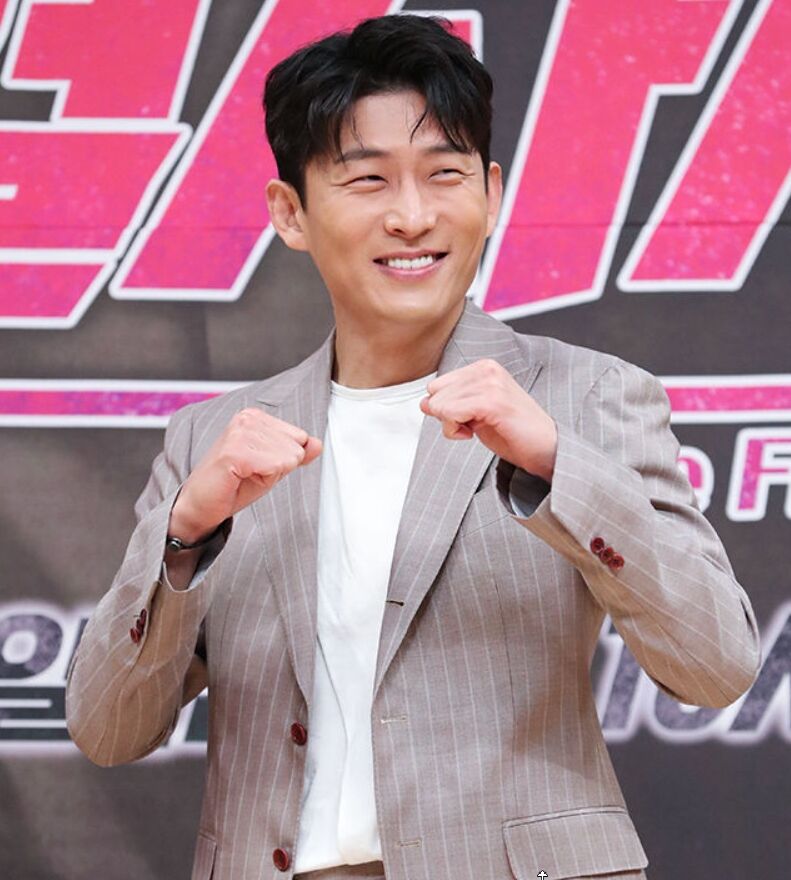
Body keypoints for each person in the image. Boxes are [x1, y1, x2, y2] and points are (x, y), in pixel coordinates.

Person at [66, 14, 760, 880]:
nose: (412, 215)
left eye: (444, 174)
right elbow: (108, 730)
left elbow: (715, 668)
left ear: (490, 195)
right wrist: (184, 535)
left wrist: (559, 465)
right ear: (290, 212)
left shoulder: (587, 398)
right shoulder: (214, 441)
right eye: (366, 180)